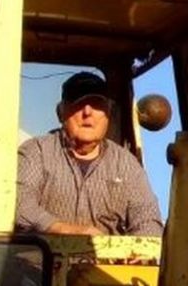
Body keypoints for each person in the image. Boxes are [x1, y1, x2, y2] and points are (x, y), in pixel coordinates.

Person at [15, 72, 164, 236]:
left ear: (108, 113)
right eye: (78, 104)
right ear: (60, 112)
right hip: (39, 260)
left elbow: (148, 221)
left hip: (104, 261)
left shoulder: (126, 164)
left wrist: (135, 254)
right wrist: (67, 230)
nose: (87, 112)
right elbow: (21, 205)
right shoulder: (36, 152)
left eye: (96, 104)